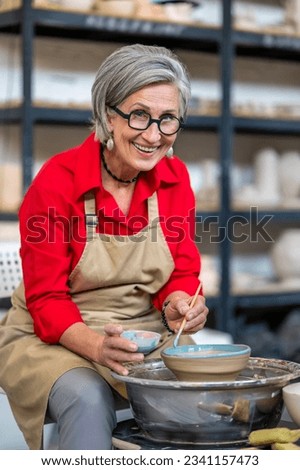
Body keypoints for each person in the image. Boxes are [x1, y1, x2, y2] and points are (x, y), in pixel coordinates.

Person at [0, 43, 209, 450]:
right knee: (88, 397)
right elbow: (45, 299)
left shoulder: (174, 177)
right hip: (54, 337)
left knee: (200, 395)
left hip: (141, 331)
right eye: (139, 116)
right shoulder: (57, 182)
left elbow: (180, 273)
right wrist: (97, 346)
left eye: (168, 120)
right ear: (107, 115)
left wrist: (178, 305)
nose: (154, 135)